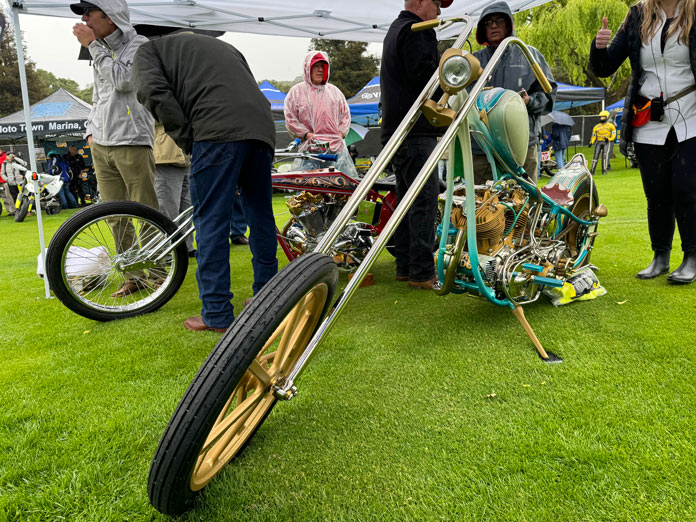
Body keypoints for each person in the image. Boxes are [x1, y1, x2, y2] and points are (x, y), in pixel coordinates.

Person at [134, 31, 278, 332]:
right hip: (261, 128)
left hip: (214, 131)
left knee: (211, 220)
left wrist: (189, 140)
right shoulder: (223, 47)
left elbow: (152, 93)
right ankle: (269, 297)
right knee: (261, 215)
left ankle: (216, 313)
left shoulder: (148, 51)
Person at [590, 0, 696, 284]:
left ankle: (691, 256)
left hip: (691, 112)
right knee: (656, 191)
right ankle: (660, 256)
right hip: (648, 116)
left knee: (686, 187)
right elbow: (605, 66)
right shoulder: (637, 14)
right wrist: (599, 47)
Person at [71, 0, 159, 297]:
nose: (84, 19)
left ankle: (160, 273)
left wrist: (93, 47)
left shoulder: (140, 44)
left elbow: (123, 81)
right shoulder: (100, 48)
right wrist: (90, 132)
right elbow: (100, 96)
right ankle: (134, 276)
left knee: (146, 210)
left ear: (109, 16)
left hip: (132, 139)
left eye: (88, 12)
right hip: (102, 142)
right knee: (114, 215)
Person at [381, 0, 453, 290]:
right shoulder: (418, 29)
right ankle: (422, 272)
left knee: (406, 199)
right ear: (422, 1)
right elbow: (428, 79)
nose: (439, 12)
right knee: (423, 199)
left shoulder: (396, 29)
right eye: (437, 4)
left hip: (398, 132)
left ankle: (405, 266)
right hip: (415, 131)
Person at [471, 1, 557, 185]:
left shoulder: (529, 55)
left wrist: (529, 102)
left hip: (522, 145)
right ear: (482, 29)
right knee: (482, 205)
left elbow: (549, 96)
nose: (493, 25)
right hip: (482, 148)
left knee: (524, 204)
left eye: (499, 20)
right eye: (488, 22)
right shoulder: (473, 62)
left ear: (509, 23)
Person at [284, 51, 357, 177]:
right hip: (310, 151)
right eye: (316, 66)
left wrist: (340, 134)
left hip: (335, 150)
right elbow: (290, 118)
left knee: (339, 188)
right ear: (308, 68)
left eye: (322, 66)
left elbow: (345, 116)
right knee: (308, 189)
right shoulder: (296, 92)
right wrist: (307, 135)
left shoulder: (334, 92)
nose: (320, 70)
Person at [153, 122, 195, 256]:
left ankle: (187, 247)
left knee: (187, 208)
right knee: (168, 210)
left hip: (187, 157)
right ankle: (169, 251)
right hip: (165, 157)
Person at [589, 110, 617, 175]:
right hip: (598, 142)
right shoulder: (596, 126)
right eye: (601, 117)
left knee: (605, 156)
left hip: (606, 142)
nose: (601, 118)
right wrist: (591, 142)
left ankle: (604, 171)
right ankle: (592, 170)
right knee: (595, 156)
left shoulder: (611, 126)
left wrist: (609, 139)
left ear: (607, 117)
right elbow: (594, 136)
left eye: (603, 117)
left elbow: (613, 135)